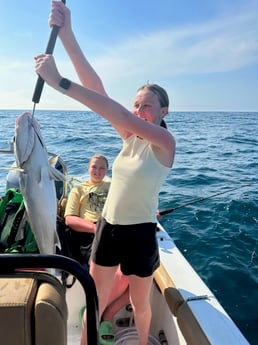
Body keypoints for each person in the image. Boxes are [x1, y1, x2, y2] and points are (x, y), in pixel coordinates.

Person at [35, 2, 176, 345]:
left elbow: (117, 113)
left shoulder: (163, 142)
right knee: (94, 298)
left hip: (141, 233)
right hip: (109, 228)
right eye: (136, 104)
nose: (138, 110)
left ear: (163, 111)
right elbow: (100, 92)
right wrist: (68, 36)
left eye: (146, 105)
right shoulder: (130, 139)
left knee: (139, 303)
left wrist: (60, 83)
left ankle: (142, 342)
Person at [64, 153, 129, 345]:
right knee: (106, 276)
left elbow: (130, 206)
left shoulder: (114, 187)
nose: (98, 171)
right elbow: (69, 219)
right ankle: (96, 316)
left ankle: (104, 314)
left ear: (107, 171)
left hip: (118, 232)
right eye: (94, 167)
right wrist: (96, 228)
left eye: (102, 168)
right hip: (92, 234)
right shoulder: (78, 189)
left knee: (135, 277)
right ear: (88, 167)